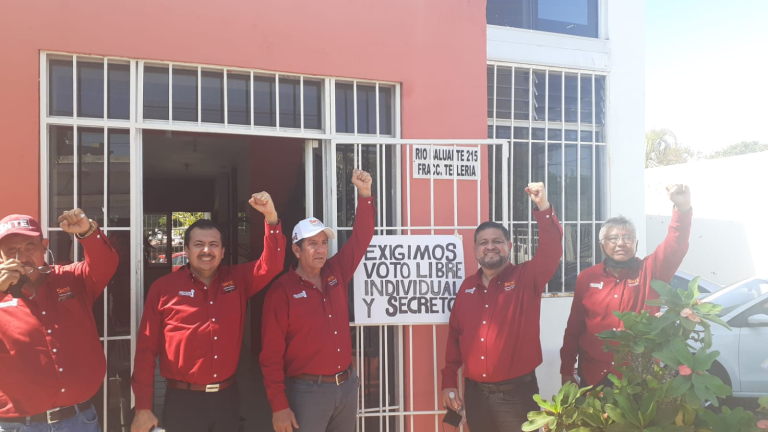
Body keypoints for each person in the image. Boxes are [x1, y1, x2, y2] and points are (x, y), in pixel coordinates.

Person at [131, 192, 286, 432]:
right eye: (199, 244)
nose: (206, 250)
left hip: (227, 399)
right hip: (183, 401)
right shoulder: (163, 289)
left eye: (213, 244)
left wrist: (271, 218)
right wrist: (142, 407)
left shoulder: (239, 279)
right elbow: (145, 350)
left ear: (223, 251)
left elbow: (272, 264)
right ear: (187, 249)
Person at [441, 182, 563, 432]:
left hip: (516, 397)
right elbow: (455, 337)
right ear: (475, 249)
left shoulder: (527, 278)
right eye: (483, 242)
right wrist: (448, 381)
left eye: (497, 241)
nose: (490, 246)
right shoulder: (466, 288)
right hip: (475, 397)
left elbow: (551, 250)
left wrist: (542, 207)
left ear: (509, 245)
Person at [260, 169, 373, 432]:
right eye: (312, 244)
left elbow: (361, 238)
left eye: (323, 243)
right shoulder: (281, 291)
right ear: (296, 250)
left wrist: (365, 194)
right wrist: (278, 405)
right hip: (306, 392)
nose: (321, 249)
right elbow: (271, 356)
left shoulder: (337, 271)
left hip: (346, 387)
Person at [560, 185, 692, 388]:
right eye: (613, 238)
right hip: (594, 376)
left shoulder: (650, 271)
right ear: (601, 245)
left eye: (628, 238)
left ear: (636, 244)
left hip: (640, 376)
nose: (621, 243)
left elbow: (675, 246)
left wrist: (681, 209)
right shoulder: (587, 278)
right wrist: (566, 370)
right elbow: (574, 328)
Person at [0, 210, 119, 431]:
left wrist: (88, 232)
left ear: (44, 246)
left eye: (29, 247)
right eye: (12, 251)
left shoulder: (71, 278)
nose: (22, 257)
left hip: (79, 419)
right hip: (18, 425)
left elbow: (106, 264)